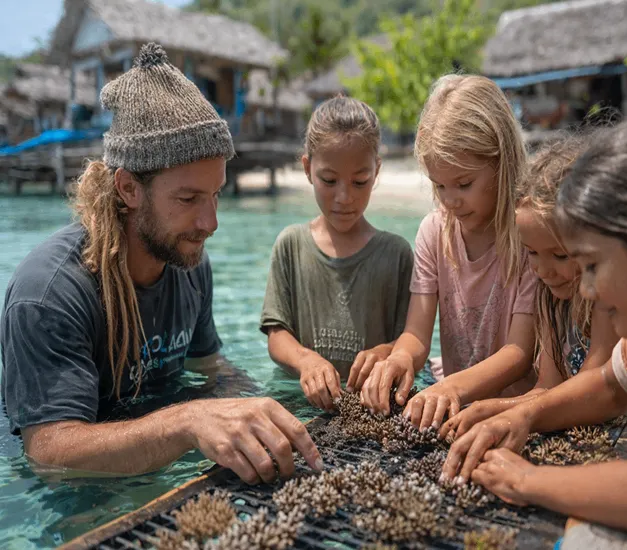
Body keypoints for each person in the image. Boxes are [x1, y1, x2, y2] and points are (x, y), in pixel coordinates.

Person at [0, 43, 322, 484]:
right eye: (188, 199)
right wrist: (187, 422)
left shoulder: (188, 258)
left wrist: (265, 411)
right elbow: (49, 453)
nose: (210, 223)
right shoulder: (50, 293)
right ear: (129, 188)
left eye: (216, 195)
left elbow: (208, 370)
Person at [442, 116, 627, 548]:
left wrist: (526, 480)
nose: (588, 288)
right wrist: (524, 414)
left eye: (592, 265)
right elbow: (610, 387)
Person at [360, 74, 538, 427]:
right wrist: (400, 359)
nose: (450, 199)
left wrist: (451, 388)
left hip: (515, 410)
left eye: (464, 184)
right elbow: (417, 335)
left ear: (502, 163)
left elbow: (519, 353)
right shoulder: (434, 231)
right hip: (453, 406)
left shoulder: (530, 237)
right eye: (439, 185)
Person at [439, 135, 618, 441]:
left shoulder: (606, 298)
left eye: (560, 255)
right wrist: (489, 409)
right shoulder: (549, 295)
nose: (542, 270)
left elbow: (591, 387)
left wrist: (510, 414)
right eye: (532, 253)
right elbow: (547, 388)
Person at [260, 97, 414, 411]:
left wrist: (385, 352)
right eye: (329, 181)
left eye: (360, 182)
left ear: (377, 170)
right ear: (307, 168)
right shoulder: (290, 245)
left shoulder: (396, 254)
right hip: (300, 404)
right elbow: (277, 335)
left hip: (372, 407)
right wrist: (306, 361)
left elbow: (411, 340)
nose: (344, 197)